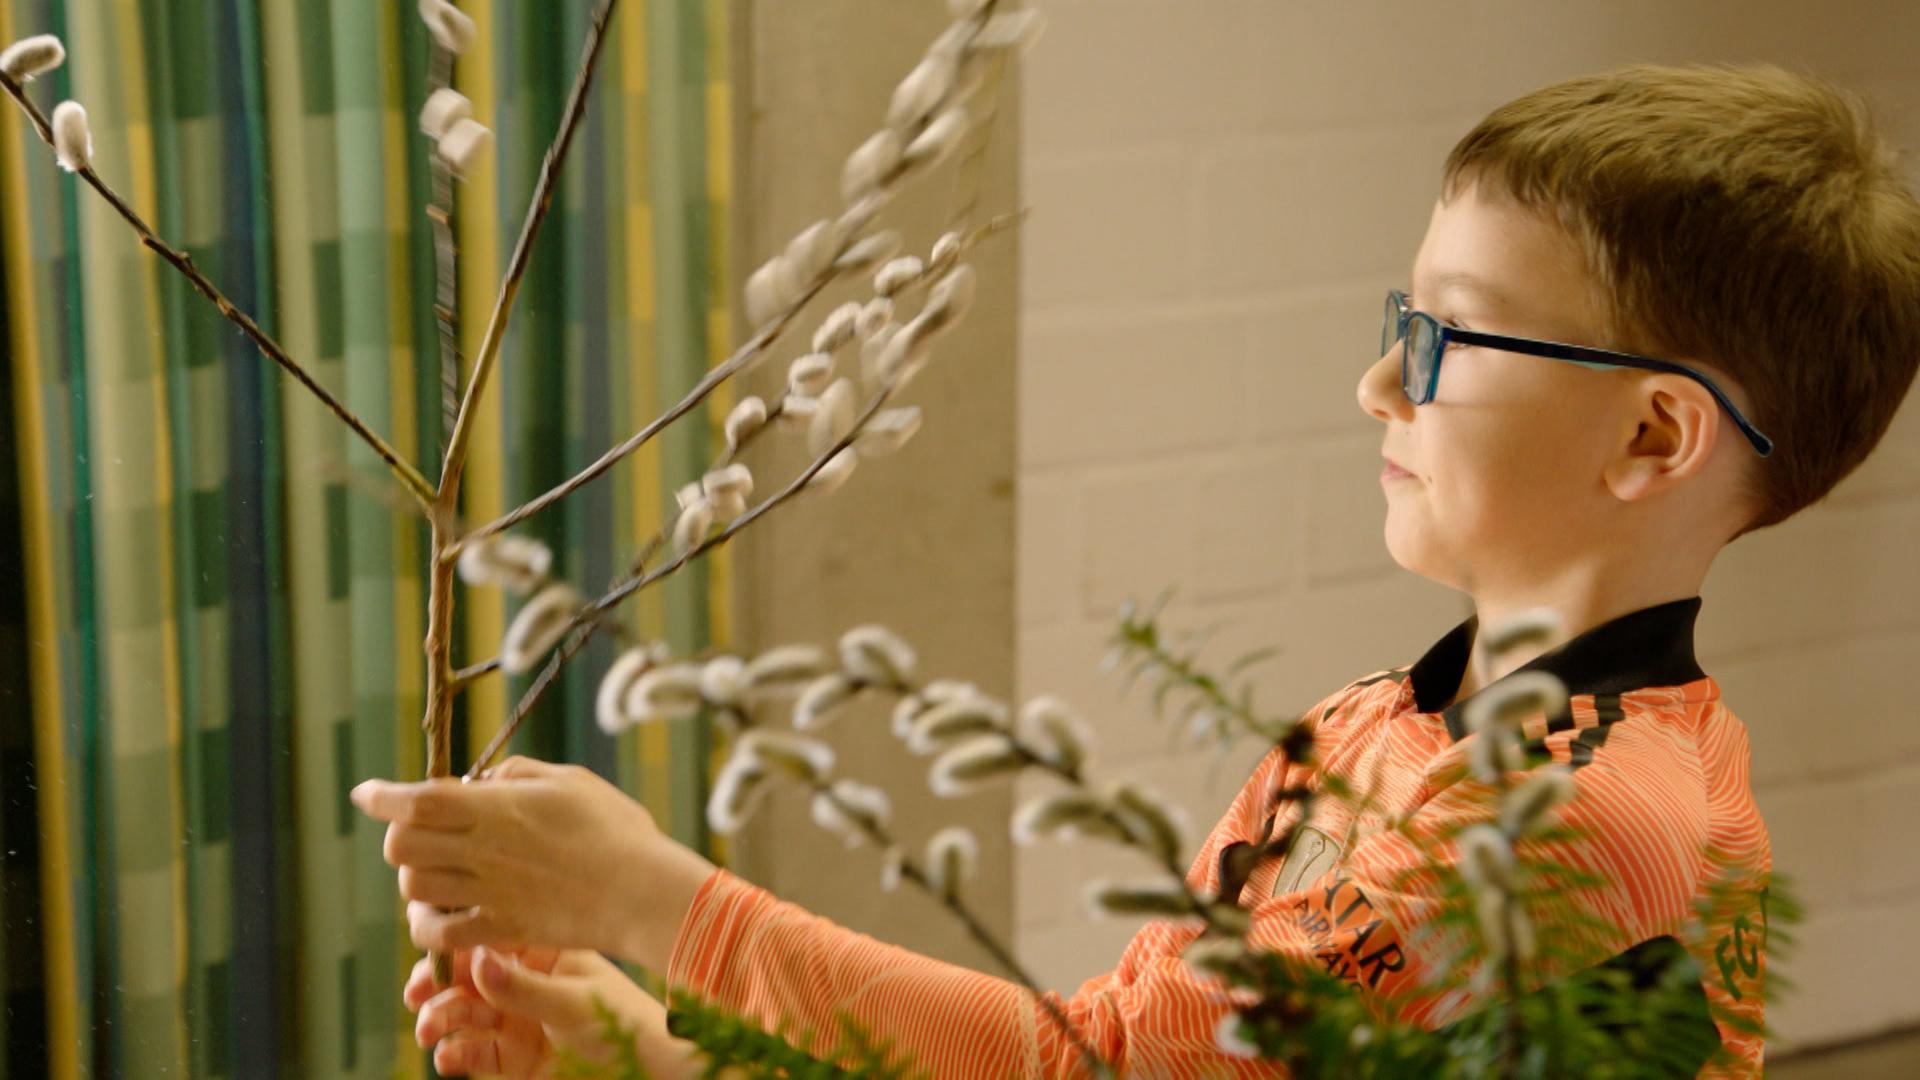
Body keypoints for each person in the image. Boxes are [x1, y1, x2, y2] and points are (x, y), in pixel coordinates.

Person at [353, 61, 1920, 1078]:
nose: (1381, 387)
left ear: (1655, 438)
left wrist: (656, 907)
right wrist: (667, 1049)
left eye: (1446, 339)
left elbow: (1096, 1071)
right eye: (1400, 324)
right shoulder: (1390, 718)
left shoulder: (1587, 823)